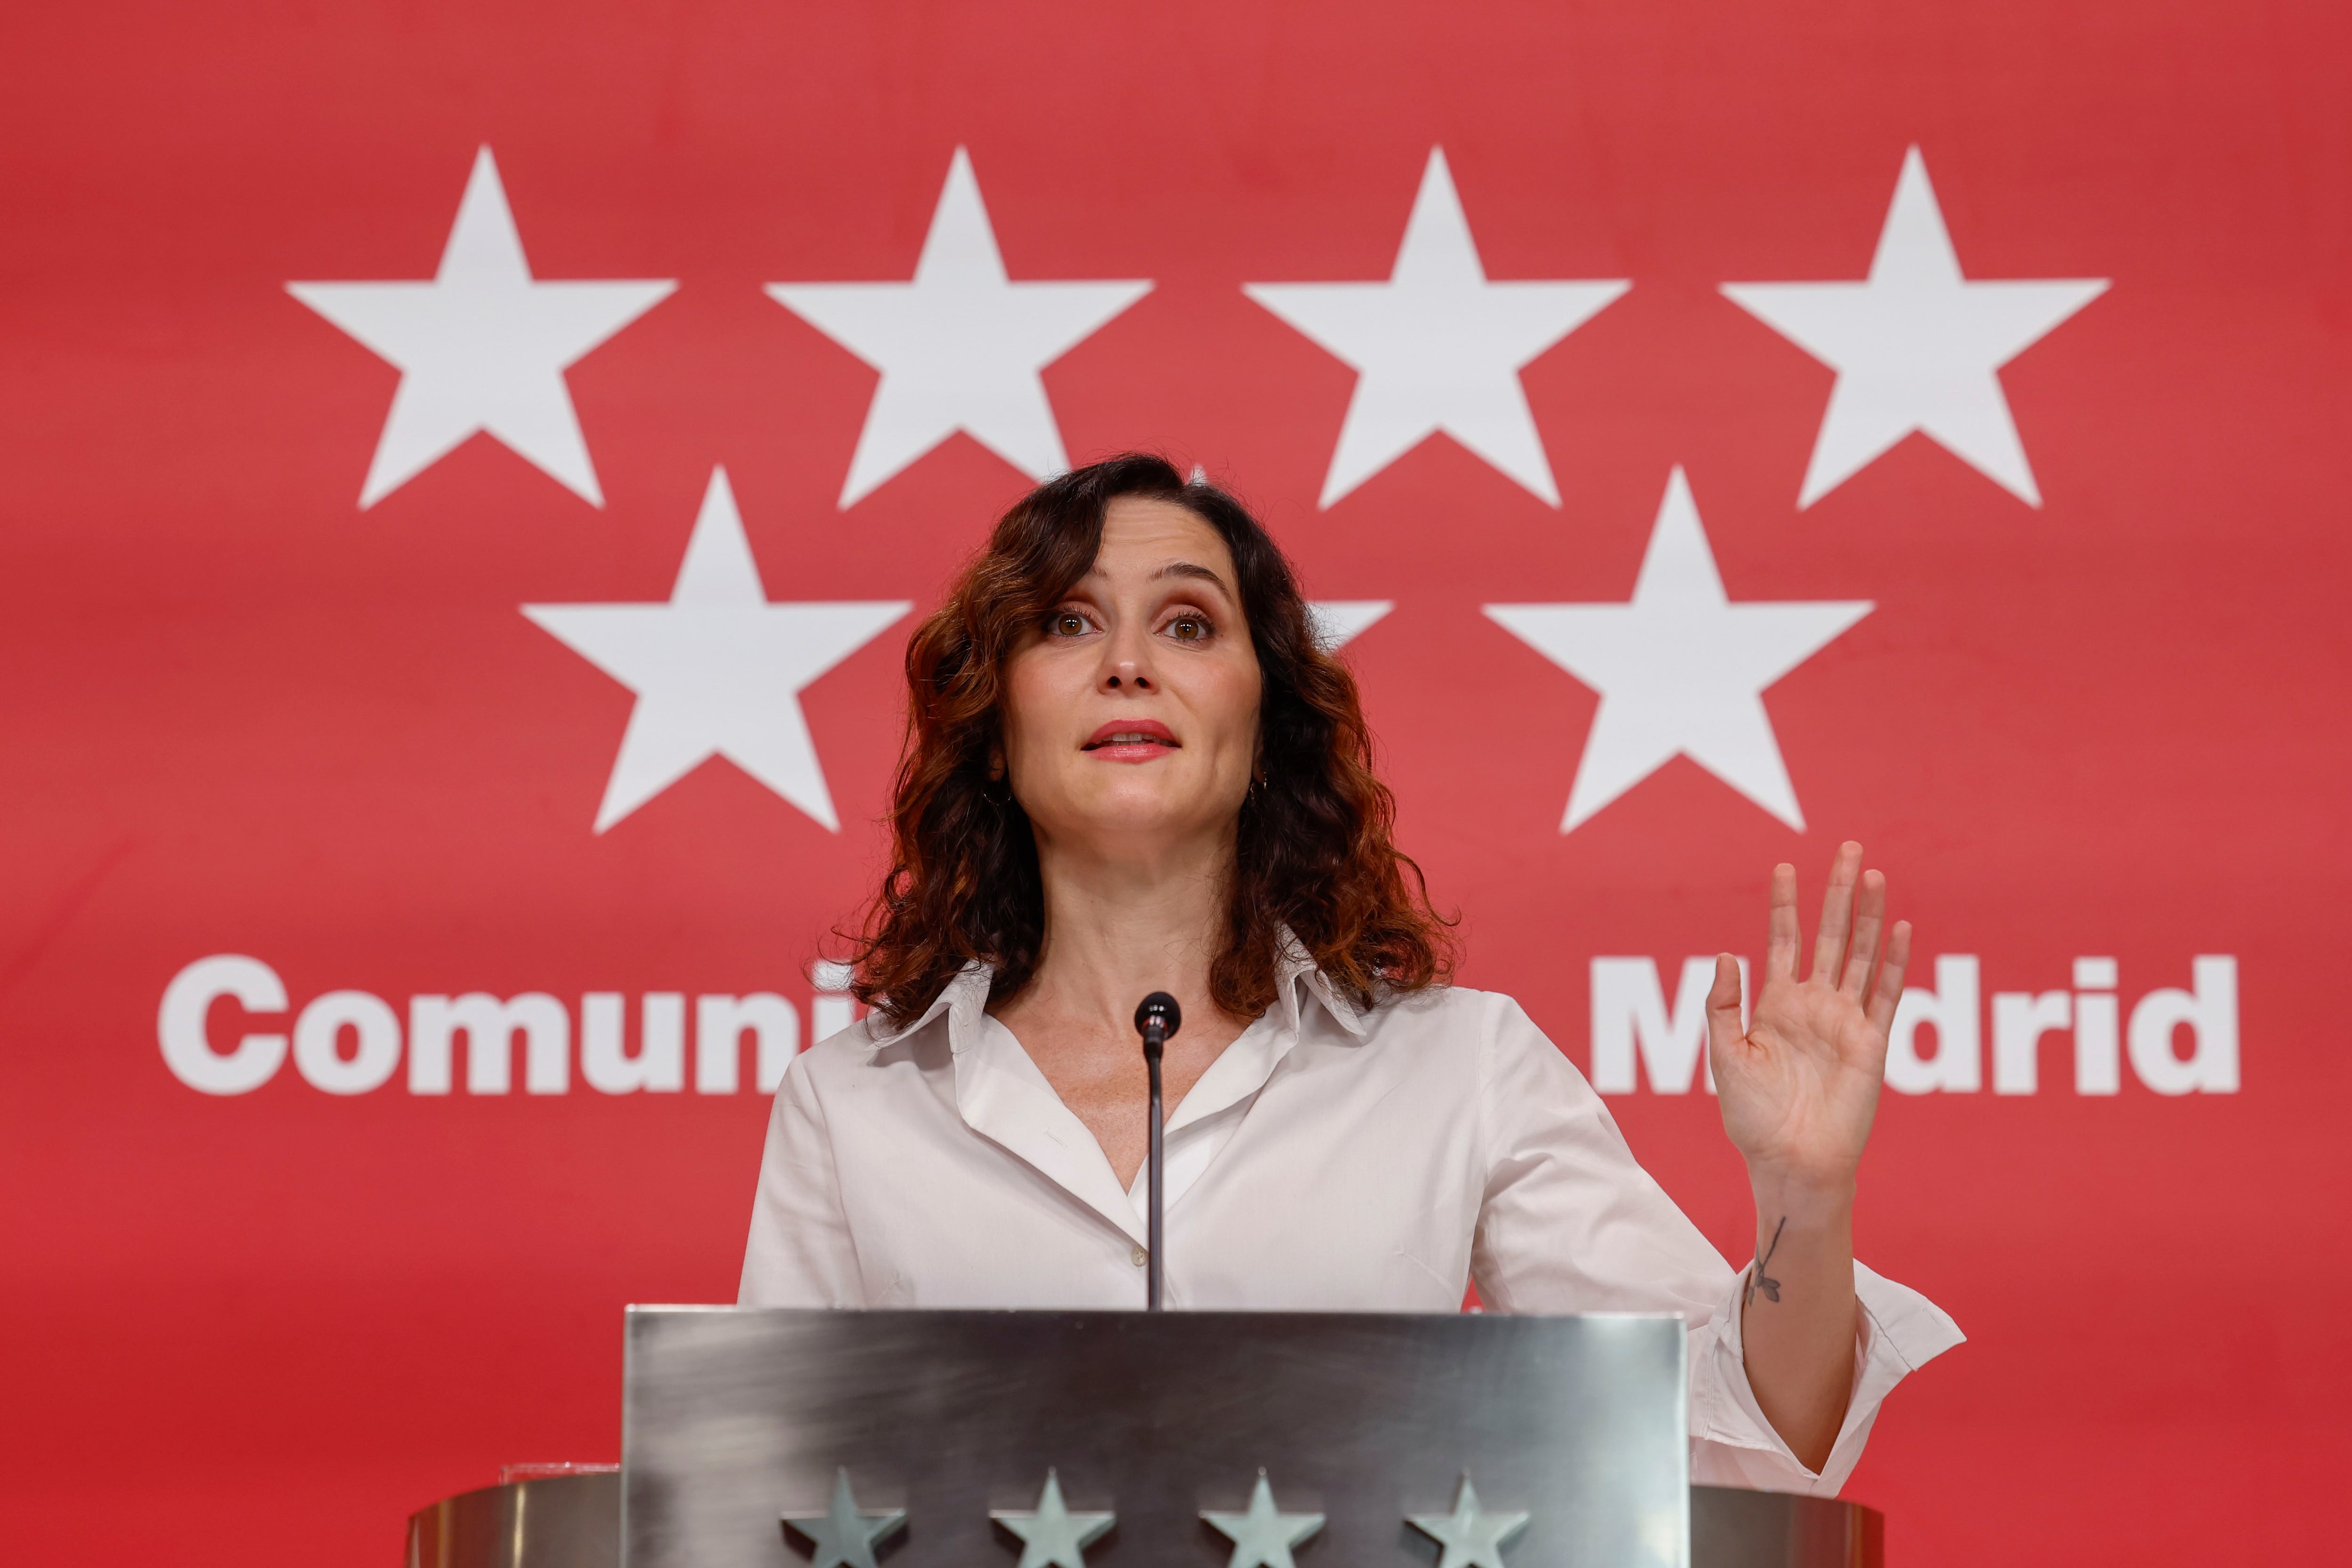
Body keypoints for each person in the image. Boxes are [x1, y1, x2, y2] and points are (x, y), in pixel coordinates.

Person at [740, 454, 1960, 1495]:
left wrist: (1806, 1200)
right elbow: (760, 1506)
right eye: (1065, 621)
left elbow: (1733, 1452)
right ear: (994, 731)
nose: (1127, 664)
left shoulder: (1460, 1066)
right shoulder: (850, 1106)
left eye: (1187, 623)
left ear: (1267, 728)